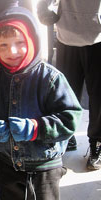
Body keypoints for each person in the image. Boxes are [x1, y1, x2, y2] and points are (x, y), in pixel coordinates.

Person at [0, 6, 82, 200]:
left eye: (19, 42)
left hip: (44, 169)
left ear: (33, 41)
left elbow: (71, 118)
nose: (11, 51)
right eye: (3, 45)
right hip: (7, 164)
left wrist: (35, 128)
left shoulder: (51, 78)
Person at [37, 0, 101, 170]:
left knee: (98, 96)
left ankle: (97, 143)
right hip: (66, 36)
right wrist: (43, 9)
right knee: (65, 95)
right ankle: (66, 137)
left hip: (98, 38)